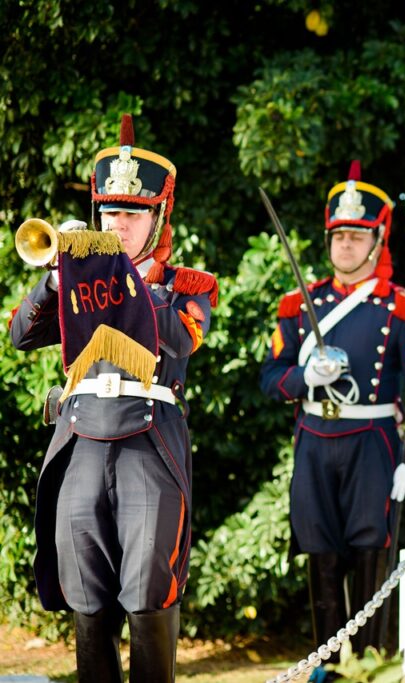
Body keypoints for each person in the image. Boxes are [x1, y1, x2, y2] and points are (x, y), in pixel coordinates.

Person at [8, 114, 217, 682]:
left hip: (149, 444)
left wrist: (125, 278)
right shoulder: (77, 284)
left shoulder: (186, 286)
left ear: (158, 218)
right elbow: (19, 335)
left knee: (149, 593)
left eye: (131, 213)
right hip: (80, 441)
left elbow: (179, 339)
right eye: (109, 212)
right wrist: (55, 281)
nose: (117, 223)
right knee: (86, 595)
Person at [259, 161, 405, 677]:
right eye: (338, 235)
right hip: (314, 440)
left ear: (377, 238)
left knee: (370, 559)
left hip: (373, 443)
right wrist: (303, 380)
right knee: (320, 558)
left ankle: (367, 669)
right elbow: (269, 376)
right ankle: (326, 668)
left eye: (357, 235)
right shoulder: (300, 305)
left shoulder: (401, 308)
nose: (345, 245)